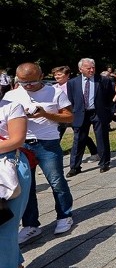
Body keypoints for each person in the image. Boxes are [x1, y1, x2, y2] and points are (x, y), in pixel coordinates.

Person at [4, 63, 74, 245]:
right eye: (23, 82)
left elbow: (69, 116)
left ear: (42, 76)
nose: (27, 86)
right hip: (21, 144)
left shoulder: (55, 92)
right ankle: (30, 225)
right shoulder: (12, 95)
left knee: (56, 180)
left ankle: (64, 215)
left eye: (32, 82)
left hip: (47, 143)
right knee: (26, 186)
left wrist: (46, 114)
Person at [0, 95, 31, 268]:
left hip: (8, 168)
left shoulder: (11, 107)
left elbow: (16, 139)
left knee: (5, 224)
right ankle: (16, 267)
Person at [65, 58, 115, 176]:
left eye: (93, 68)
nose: (91, 70)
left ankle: (104, 163)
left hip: (98, 112)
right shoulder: (72, 83)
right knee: (79, 140)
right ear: (80, 69)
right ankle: (75, 167)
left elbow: (109, 96)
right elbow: (71, 99)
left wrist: (107, 111)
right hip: (81, 113)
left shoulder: (103, 80)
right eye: (88, 68)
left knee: (102, 137)